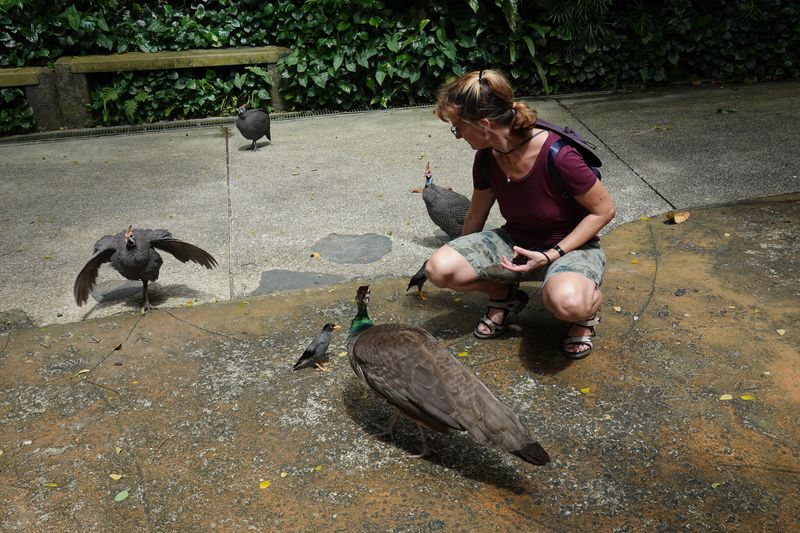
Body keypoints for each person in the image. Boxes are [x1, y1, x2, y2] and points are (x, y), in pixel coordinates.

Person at [424, 69, 616, 359]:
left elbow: (604, 210)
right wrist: (460, 261)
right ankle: (504, 297)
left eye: (458, 127)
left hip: (569, 246)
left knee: (567, 303)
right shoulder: (487, 157)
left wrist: (552, 254)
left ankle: (586, 312)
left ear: (485, 124)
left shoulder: (559, 154)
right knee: (439, 268)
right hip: (515, 241)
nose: (458, 135)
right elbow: (475, 217)